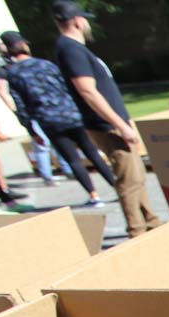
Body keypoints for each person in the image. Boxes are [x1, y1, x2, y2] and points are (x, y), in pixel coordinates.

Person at [53, 0, 161, 238]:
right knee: (129, 181)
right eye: (86, 19)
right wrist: (120, 125)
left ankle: (151, 223)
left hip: (111, 124)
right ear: (78, 21)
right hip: (106, 126)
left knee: (136, 176)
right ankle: (138, 232)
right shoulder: (70, 48)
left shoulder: (73, 48)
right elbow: (87, 91)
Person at [1, 30, 113, 208]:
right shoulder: (46, 64)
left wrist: (31, 130)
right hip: (71, 114)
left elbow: (21, 106)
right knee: (91, 152)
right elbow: (67, 86)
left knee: (73, 159)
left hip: (49, 121)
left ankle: (94, 195)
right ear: (24, 45)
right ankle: (116, 186)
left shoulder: (12, 74)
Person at [0, 41, 73, 186]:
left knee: (59, 140)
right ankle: (47, 176)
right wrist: (16, 111)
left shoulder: (28, 65)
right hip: (30, 112)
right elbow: (4, 93)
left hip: (46, 108)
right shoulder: (3, 71)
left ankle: (68, 169)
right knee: (42, 143)